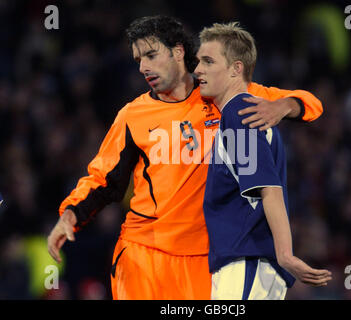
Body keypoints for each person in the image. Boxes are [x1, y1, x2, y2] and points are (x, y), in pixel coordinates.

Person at [47, 15, 324, 300]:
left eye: (151, 56)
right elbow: (104, 178)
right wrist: (70, 215)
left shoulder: (223, 95)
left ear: (178, 51)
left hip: (204, 260)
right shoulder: (133, 115)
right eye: (139, 59)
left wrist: (285, 106)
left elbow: (312, 103)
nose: (143, 67)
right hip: (144, 253)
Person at [197, 22, 332, 300]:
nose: (198, 69)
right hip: (253, 263)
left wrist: (285, 255)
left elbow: (268, 187)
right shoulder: (251, 111)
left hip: (246, 261)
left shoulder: (239, 114)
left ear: (236, 68)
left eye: (208, 61)